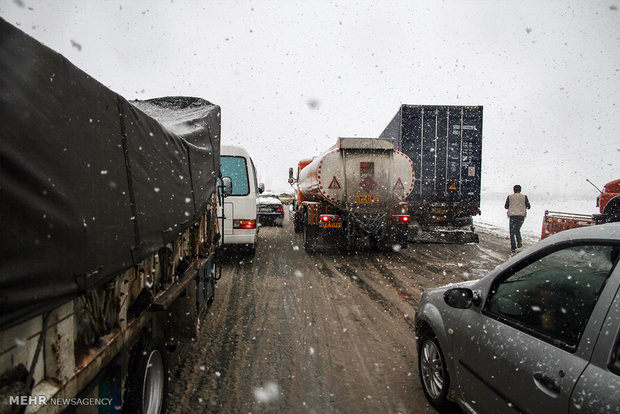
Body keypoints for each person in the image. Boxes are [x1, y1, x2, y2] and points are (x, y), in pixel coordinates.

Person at [505, 185, 531, 252]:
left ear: (514, 190)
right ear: (520, 190)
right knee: (517, 229)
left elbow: (506, 206)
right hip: (521, 216)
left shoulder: (510, 197)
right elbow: (528, 206)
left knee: (512, 232)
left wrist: (513, 206)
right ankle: (519, 241)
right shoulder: (524, 197)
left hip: (513, 216)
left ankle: (513, 247)